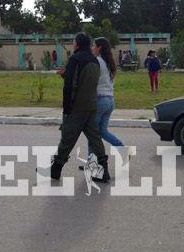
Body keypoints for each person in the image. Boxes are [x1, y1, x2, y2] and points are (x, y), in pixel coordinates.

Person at [38, 32, 110, 182]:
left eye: (73, 41)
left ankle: (55, 170)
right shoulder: (94, 60)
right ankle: (104, 171)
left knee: (67, 139)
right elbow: (85, 81)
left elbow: (70, 86)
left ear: (77, 43)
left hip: (77, 107)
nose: (73, 43)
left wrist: (66, 109)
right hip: (91, 105)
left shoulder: (75, 59)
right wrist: (67, 74)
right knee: (95, 138)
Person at [87, 37, 124, 156]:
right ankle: (123, 149)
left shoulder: (97, 60)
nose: (92, 48)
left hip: (100, 100)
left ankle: (91, 162)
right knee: (102, 131)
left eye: (94, 45)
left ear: (99, 47)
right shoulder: (110, 63)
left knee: (92, 133)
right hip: (110, 100)